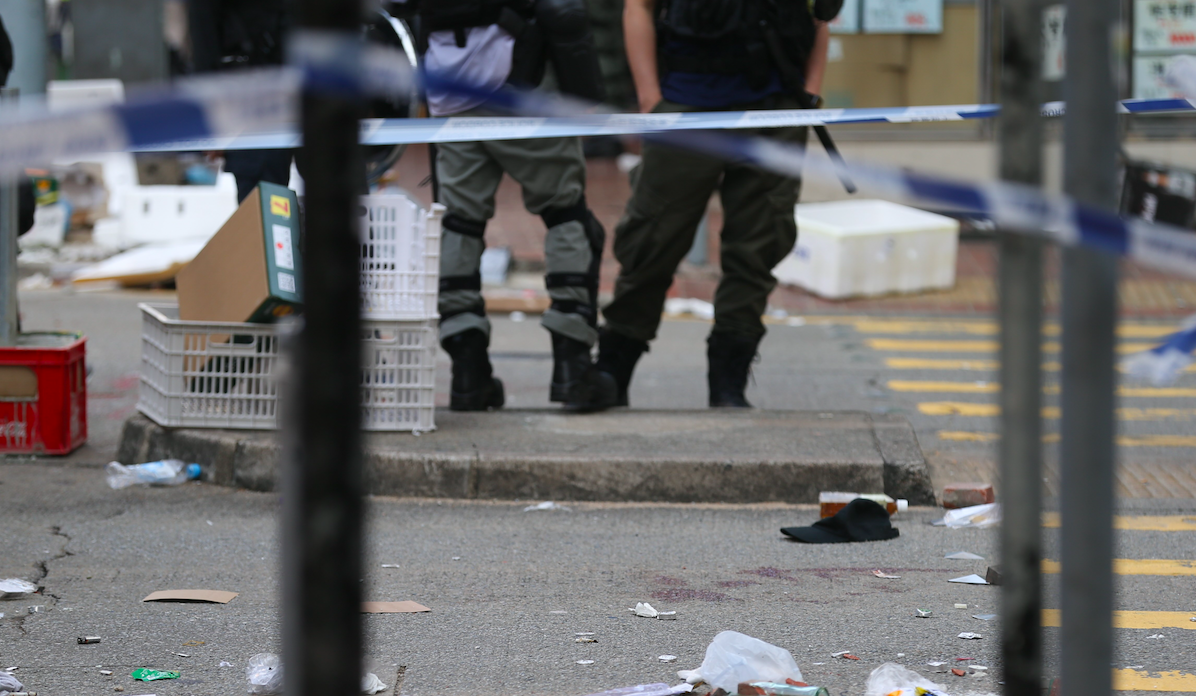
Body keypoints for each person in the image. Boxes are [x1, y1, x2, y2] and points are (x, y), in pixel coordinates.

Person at [596, 0, 838, 408]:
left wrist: (808, 96)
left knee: (758, 246)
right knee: (651, 239)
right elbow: (638, 6)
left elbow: (820, 17)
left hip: (773, 111)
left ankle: (729, 381)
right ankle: (613, 369)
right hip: (686, 107)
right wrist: (651, 101)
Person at [418, 0, 618, 412]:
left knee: (459, 224)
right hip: (519, 79)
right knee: (567, 216)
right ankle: (573, 370)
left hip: (447, 86)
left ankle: (468, 375)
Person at [188, 0, 292, 202]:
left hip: (266, 100)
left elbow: (205, 52)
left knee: (266, 207)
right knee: (264, 204)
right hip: (254, 103)